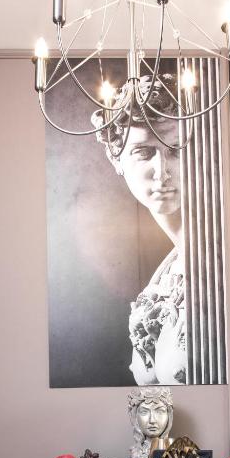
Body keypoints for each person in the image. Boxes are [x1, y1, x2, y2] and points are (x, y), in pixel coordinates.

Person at [92, 75, 187, 385]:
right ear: (116, 157)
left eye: (177, 150)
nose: (162, 172)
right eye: (144, 153)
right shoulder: (168, 270)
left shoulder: (218, 260)